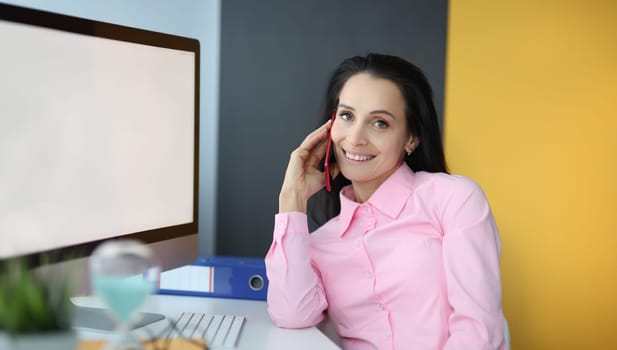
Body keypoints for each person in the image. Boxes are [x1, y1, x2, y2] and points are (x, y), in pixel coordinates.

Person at [265, 53, 506, 350]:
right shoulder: (317, 243)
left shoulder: (454, 200)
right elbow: (291, 315)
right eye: (347, 116)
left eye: (379, 123)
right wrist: (292, 199)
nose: (355, 138)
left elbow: (478, 331)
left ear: (411, 139)